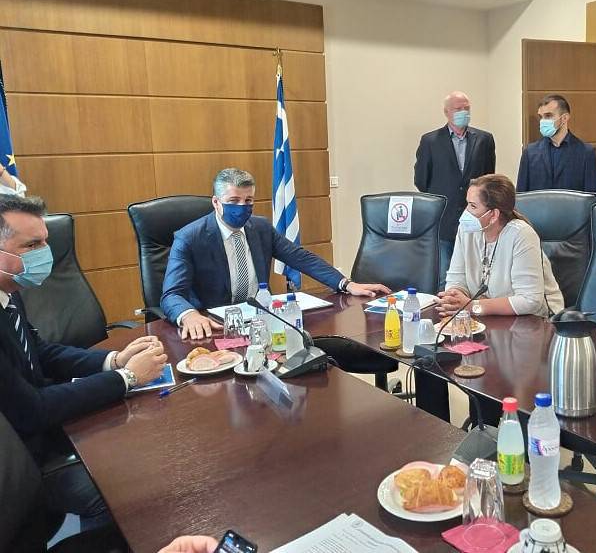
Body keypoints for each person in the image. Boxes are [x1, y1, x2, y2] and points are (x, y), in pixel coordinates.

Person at [0, 194, 168, 530]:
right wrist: (127, 377)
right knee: (125, 491)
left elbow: (40, 351)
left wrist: (114, 360)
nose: (45, 253)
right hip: (20, 461)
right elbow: (32, 410)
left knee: (147, 447)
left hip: (41, 429)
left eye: (45, 242)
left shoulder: (10, 293)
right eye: (31, 245)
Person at [161, 168, 390, 340]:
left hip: (261, 320)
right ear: (216, 202)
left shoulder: (260, 227)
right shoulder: (189, 237)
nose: (242, 207)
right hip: (216, 326)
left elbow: (300, 258)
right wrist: (189, 315)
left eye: (248, 200)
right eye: (233, 201)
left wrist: (347, 284)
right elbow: (171, 294)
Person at [438, 173, 564, 318]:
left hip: (533, 320)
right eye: (467, 203)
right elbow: (456, 278)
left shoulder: (522, 234)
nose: (466, 212)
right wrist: (454, 298)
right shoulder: (466, 230)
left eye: (473, 206)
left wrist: (473, 306)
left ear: (493, 215)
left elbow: (530, 301)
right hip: (487, 317)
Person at [414, 91, 496, 291]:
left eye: (467, 108)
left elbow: (488, 179)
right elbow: (421, 180)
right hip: (444, 219)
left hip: (476, 218)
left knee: (477, 273)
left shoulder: (484, 139)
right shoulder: (430, 141)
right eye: (458, 109)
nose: (463, 112)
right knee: (444, 276)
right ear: (446, 112)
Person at [516, 94, 596, 193]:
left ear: (564, 118)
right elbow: (521, 195)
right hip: (539, 203)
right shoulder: (530, 153)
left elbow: (592, 197)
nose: (543, 121)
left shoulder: (586, 153)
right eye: (541, 117)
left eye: (548, 116)